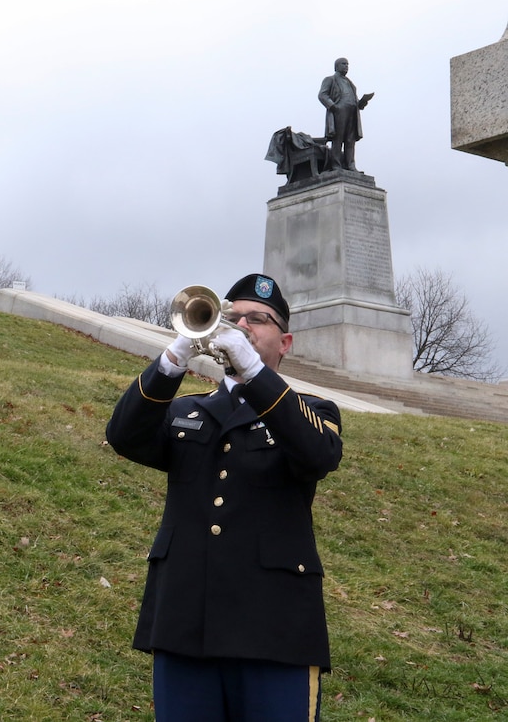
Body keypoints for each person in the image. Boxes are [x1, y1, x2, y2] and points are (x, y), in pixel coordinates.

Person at [106, 274, 343, 722]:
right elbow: (123, 436)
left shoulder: (314, 411)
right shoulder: (185, 410)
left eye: (258, 319)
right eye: (233, 317)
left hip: (275, 630)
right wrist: (174, 359)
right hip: (184, 624)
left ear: (285, 341)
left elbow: (318, 454)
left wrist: (253, 373)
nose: (243, 325)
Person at [318, 57, 373, 171]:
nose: (346, 66)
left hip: (353, 112)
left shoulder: (351, 83)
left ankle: (351, 165)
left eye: (347, 64)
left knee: (350, 140)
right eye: (343, 64)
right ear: (336, 66)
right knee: (338, 138)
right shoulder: (330, 79)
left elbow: (356, 101)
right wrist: (333, 106)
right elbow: (322, 95)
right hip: (339, 111)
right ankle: (336, 165)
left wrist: (362, 103)